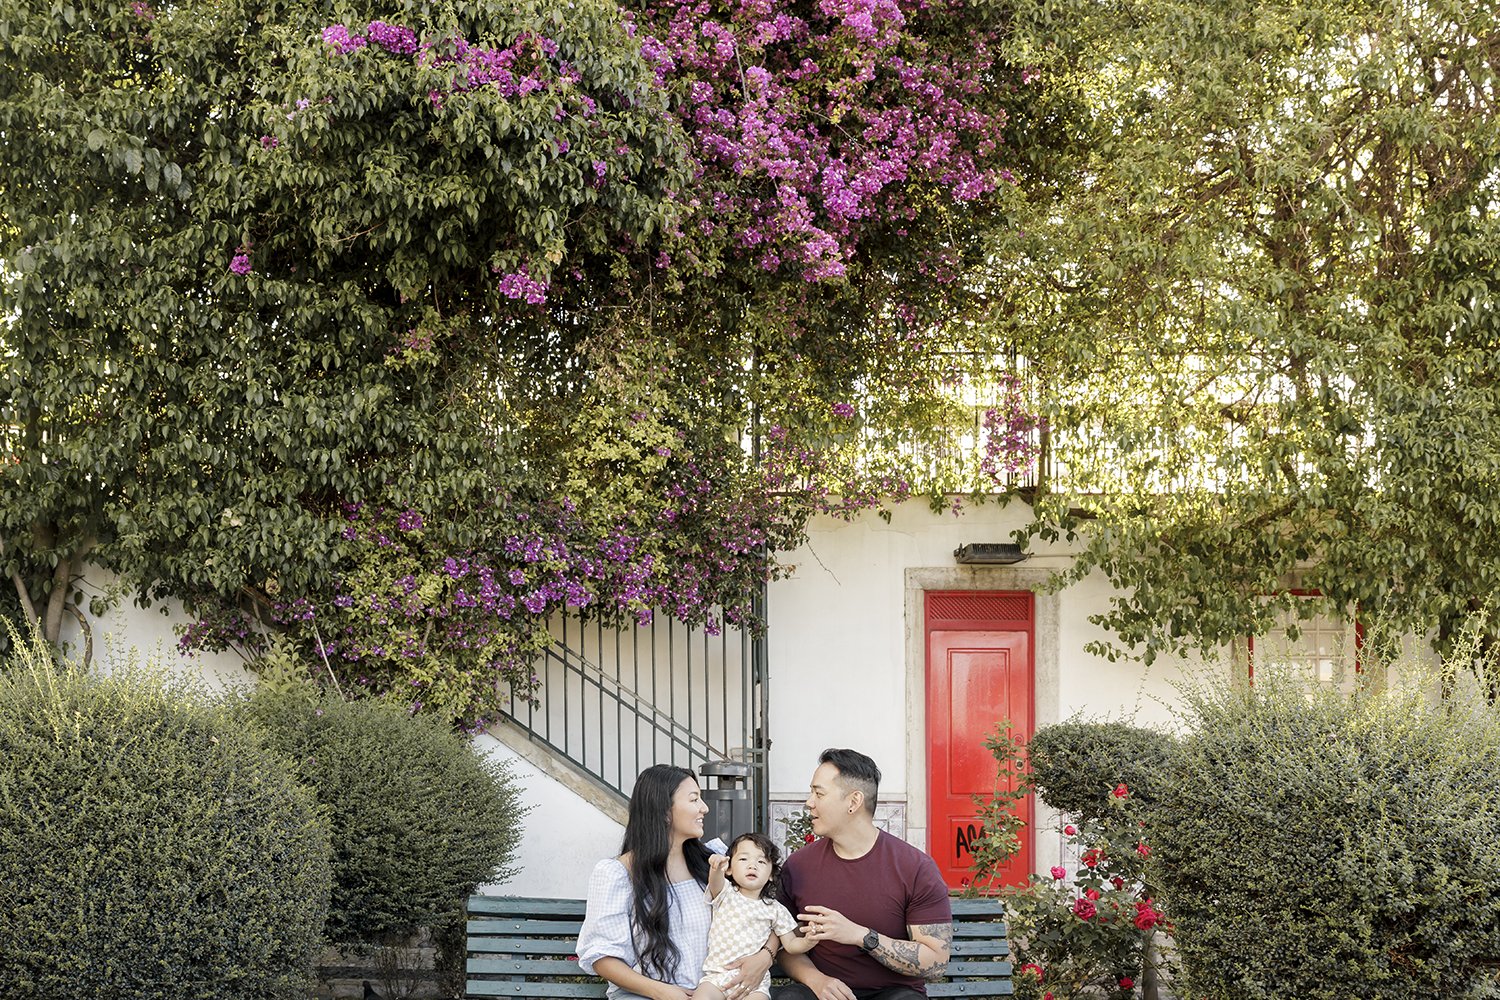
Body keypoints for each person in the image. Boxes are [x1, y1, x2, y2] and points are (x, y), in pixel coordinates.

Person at [577, 764, 777, 1000]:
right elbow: (602, 957)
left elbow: (769, 912)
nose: (704, 808)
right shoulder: (617, 874)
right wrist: (662, 992)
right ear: (663, 811)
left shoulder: (714, 862)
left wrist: (764, 957)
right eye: (694, 800)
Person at [773, 749, 953, 1000]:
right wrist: (817, 980)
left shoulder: (915, 867)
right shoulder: (799, 865)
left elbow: (936, 961)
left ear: (853, 802)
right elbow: (784, 945)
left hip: (893, 993)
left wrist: (861, 936)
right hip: (824, 991)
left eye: (819, 793)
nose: (809, 802)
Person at [698, 833, 818, 1000]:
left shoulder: (776, 909)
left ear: (770, 874)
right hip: (716, 977)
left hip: (754, 984)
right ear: (730, 869)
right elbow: (715, 882)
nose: (752, 866)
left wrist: (807, 941)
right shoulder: (725, 893)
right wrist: (716, 868)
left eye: (761, 861)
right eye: (743, 859)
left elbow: (790, 945)